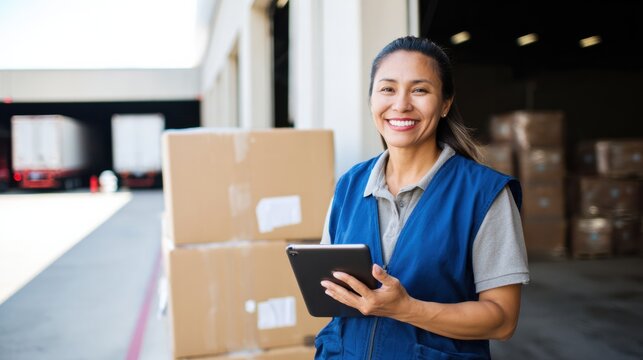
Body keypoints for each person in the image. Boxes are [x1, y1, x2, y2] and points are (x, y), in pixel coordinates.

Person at [317, 36, 529, 359]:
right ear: (371, 99)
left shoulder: (484, 195)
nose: (401, 104)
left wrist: (407, 308)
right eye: (387, 89)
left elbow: (502, 320)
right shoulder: (348, 186)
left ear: (445, 103)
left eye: (420, 90)